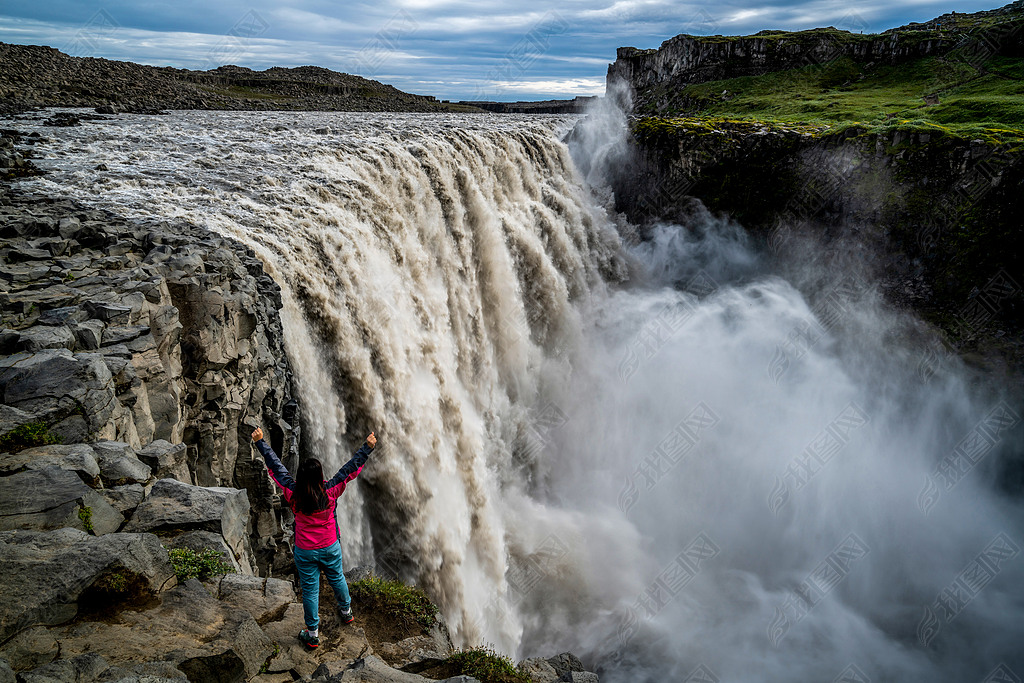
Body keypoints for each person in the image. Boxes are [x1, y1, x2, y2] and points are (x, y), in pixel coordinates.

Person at [251, 426, 377, 649]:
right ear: (320, 476)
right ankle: (346, 612)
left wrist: (261, 442)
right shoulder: (330, 491)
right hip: (330, 546)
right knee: (337, 577)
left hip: (305, 551)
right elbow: (349, 469)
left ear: (299, 477)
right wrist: (366, 448)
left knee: (310, 590)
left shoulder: (293, 493)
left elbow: (277, 469)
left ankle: (312, 634)